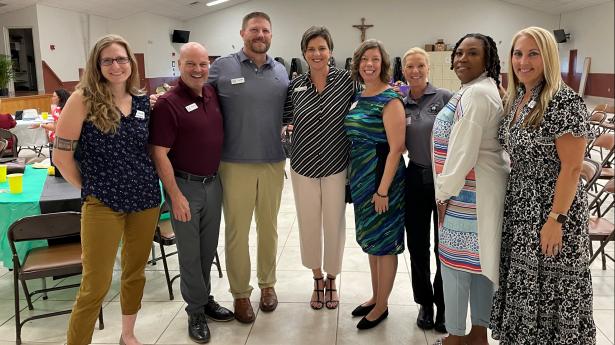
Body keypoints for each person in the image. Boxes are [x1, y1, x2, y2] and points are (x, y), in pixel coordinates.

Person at [490, 26, 596, 344]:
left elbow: (573, 166)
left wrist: (556, 220)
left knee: (552, 288)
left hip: (552, 208)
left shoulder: (563, 102)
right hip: (521, 206)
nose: (524, 61)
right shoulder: (519, 97)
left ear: (548, 56)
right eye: (518, 53)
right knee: (525, 285)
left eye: (533, 53)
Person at [53, 34, 161, 345]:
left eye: (121, 59)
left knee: (134, 273)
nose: (116, 65)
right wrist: (90, 188)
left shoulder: (142, 101)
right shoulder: (82, 99)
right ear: (97, 66)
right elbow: (61, 156)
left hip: (144, 199)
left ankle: (127, 334)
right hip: (102, 203)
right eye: (108, 60)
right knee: (95, 283)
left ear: (131, 63)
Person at [149, 42, 234, 344]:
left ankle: (205, 298)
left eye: (203, 64)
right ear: (179, 65)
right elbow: (159, 154)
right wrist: (175, 195)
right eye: (191, 64)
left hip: (213, 184)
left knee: (208, 249)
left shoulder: (211, 93)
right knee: (189, 253)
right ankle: (195, 311)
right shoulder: (168, 104)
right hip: (184, 187)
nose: (198, 70)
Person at [207, 11, 289, 323]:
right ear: (243, 33)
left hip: (272, 161)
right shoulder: (222, 67)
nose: (260, 35)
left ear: (271, 35)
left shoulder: (280, 71)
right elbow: (199, 99)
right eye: (254, 29)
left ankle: (268, 285)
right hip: (233, 163)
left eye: (265, 30)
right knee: (237, 231)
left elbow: (289, 111)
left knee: (268, 228)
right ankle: (240, 293)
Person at [431, 33, 509, 345]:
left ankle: (455, 336)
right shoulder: (478, 89)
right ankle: (478, 334)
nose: (462, 58)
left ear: (488, 60)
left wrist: (443, 193)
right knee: (477, 268)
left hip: (466, 196)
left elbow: (462, 153)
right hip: (473, 192)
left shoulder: (477, 94)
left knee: (454, 269)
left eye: (472, 53)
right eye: (459, 53)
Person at [283, 26, 360, 310]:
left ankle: (332, 278)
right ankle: (316, 278)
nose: (317, 54)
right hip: (303, 165)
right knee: (309, 223)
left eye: (322, 48)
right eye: (311, 49)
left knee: (334, 224)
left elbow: (367, 104)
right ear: (304, 53)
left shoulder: (347, 82)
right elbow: (285, 118)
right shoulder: (295, 86)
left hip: (336, 165)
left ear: (331, 51)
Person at [344, 39, 406, 330]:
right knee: (371, 240)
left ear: (384, 64)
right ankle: (375, 295)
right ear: (358, 63)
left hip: (384, 179)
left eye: (375, 60)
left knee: (385, 243)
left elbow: (396, 148)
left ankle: (382, 305)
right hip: (361, 178)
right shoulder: (359, 95)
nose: (369, 64)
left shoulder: (390, 99)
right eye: (365, 59)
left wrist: (382, 190)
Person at [400, 47, 452, 333]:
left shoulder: (444, 97)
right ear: (403, 71)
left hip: (444, 182)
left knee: (443, 246)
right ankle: (425, 303)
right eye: (410, 66)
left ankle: (444, 305)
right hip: (415, 177)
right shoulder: (400, 103)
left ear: (428, 68)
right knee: (417, 245)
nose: (415, 71)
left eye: (420, 65)